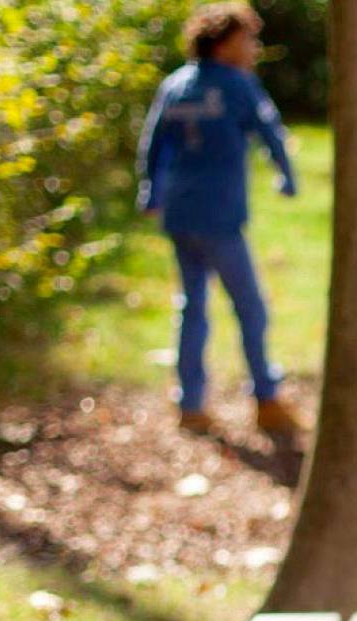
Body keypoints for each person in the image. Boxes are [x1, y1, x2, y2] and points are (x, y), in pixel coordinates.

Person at [137, 2, 301, 436]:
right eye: (249, 38)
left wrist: (149, 191)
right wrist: (286, 175)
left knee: (192, 307)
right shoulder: (237, 86)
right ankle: (266, 399)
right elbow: (271, 132)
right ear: (225, 42)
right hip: (220, 216)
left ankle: (191, 405)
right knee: (250, 308)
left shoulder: (174, 85)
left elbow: (153, 144)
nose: (254, 48)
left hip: (179, 214)